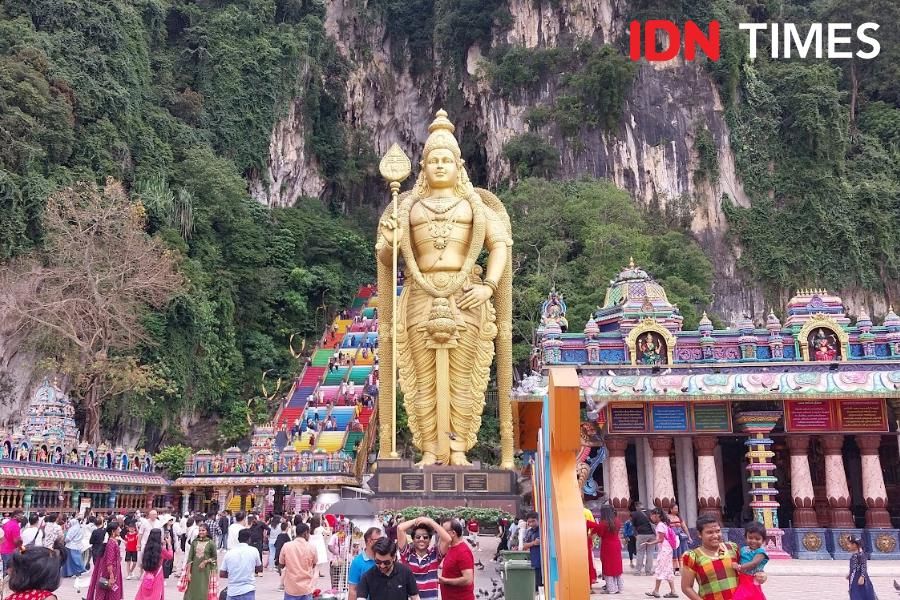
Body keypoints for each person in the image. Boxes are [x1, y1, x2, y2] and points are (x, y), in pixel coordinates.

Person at [681, 516, 739, 600]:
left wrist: (761, 576)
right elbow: (686, 587)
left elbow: (746, 572)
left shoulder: (732, 548)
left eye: (718, 531)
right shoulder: (693, 556)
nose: (715, 536)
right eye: (709, 532)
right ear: (699, 534)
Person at [397, 516, 451, 600]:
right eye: (418, 537)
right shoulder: (407, 554)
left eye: (425, 537)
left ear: (429, 540)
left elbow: (447, 539)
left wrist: (430, 521)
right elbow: (400, 528)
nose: (421, 539)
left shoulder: (434, 555)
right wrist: (417, 520)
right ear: (413, 539)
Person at [587, 505, 624, 594]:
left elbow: (599, 534)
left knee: (608, 566)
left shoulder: (603, 523)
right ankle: (619, 587)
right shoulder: (617, 521)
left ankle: (611, 589)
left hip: (607, 545)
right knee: (617, 565)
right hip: (616, 544)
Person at [643, 508, 678, 598]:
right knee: (667, 569)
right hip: (667, 549)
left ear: (657, 515)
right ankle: (672, 591)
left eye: (652, 515)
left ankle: (656, 591)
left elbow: (660, 539)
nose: (651, 517)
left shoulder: (660, 525)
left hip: (664, 550)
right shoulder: (663, 524)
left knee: (660, 568)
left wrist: (649, 543)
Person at [279, 522, 318, 600]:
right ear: (305, 533)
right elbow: (314, 565)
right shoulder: (312, 547)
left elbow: (281, 564)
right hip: (306, 588)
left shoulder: (286, 546)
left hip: (291, 588)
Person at [220, 528, 262, 600]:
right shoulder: (254, 551)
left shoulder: (229, 553)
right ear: (249, 539)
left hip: (232, 590)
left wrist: (234, 575)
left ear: (238, 539)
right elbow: (259, 568)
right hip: (248, 589)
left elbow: (222, 573)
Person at [439, 518, 475, 600]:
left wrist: (445, 581)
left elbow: (468, 579)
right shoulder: (451, 547)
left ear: (453, 533)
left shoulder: (463, 552)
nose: (441, 534)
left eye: (443, 531)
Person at [86, 522, 123, 600]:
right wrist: (111, 575)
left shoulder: (113, 541)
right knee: (111, 591)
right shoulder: (111, 543)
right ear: (113, 531)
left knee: (110, 591)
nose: (120, 530)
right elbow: (109, 561)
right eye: (118, 529)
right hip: (111, 572)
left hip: (114, 570)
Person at [733, 522, 768, 600]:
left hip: (752, 579)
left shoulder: (760, 552)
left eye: (757, 539)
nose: (753, 541)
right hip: (742, 578)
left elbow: (754, 563)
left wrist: (739, 567)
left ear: (763, 540)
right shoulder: (743, 549)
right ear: (745, 537)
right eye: (750, 538)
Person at [181, 523, 217, 600]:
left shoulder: (211, 543)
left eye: (203, 530)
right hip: (194, 571)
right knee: (192, 589)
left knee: (203, 589)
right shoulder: (194, 542)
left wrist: (205, 561)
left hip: (205, 571)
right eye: (200, 530)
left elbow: (214, 558)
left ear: (207, 531)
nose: (201, 532)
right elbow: (190, 558)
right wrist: (188, 573)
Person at [135, 530, 173, 600]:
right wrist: (169, 544)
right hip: (158, 574)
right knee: (156, 593)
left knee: (145, 592)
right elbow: (170, 556)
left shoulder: (146, 548)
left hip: (147, 574)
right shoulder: (161, 550)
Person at [348, 527, 382, 600]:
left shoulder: (384, 560)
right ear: (369, 541)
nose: (381, 543)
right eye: (379, 540)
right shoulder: (357, 562)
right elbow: (353, 590)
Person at [846, 536, 876, 600]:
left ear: (854, 545)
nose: (847, 546)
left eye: (848, 544)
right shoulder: (855, 554)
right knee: (854, 590)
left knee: (861, 592)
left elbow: (864, 565)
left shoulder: (860, 555)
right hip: (854, 576)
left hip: (859, 576)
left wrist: (862, 576)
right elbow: (853, 566)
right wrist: (849, 573)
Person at [632, 502, 655, 576]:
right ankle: (648, 571)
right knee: (650, 553)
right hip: (652, 535)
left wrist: (635, 534)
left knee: (640, 552)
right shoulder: (650, 512)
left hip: (641, 535)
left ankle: (638, 571)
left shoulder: (635, 514)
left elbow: (634, 525)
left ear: (636, 507)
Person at [668, 505, 691, 573]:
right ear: (671, 509)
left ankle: (682, 568)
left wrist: (688, 536)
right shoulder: (667, 517)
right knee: (674, 553)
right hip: (672, 538)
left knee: (682, 552)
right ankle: (676, 569)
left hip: (681, 538)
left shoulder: (679, 517)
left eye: (677, 508)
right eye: (675, 508)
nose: (676, 510)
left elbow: (684, 527)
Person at [521, 512, 541, 591]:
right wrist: (534, 543)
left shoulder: (544, 530)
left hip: (546, 564)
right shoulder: (529, 532)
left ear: (538, 520)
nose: (531, 524)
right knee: (538, 587)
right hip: (536, 563)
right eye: (529, 522)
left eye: (533, 521)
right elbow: (524, 546)